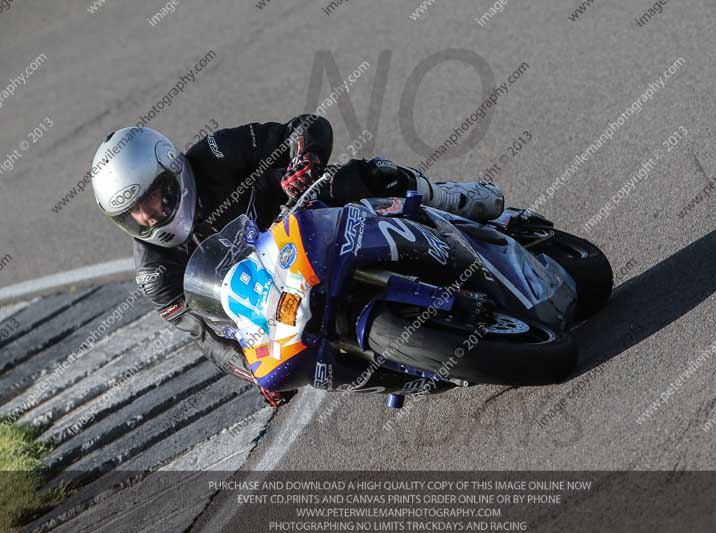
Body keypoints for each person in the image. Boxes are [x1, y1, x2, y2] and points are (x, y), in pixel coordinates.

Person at [89, 115, 503, 405]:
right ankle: (394, 370)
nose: (148, 217)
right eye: (132, 213)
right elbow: (204, 334)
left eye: (151, 198)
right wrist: (250, 372)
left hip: (310, 227)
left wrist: (304, 162)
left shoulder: (215, 153)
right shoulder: (155, 272)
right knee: (293, 369)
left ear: (170, 168)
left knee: (355, 177)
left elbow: (303, 127)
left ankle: (449, 197)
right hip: (275, 303)